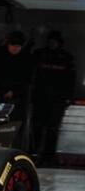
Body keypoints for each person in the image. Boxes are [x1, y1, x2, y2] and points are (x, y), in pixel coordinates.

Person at [32, 30, 76, 164]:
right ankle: (34, 153)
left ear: (59, 43)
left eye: (54, 41)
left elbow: (71, 79)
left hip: (57, 100)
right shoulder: (39, 54)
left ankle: (48, 156)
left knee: (52, 129)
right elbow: (31, 74)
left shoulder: (66, 58)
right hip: (41, 98)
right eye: (50, 41)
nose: (52, 43)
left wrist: (68, 97)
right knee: (37, 127)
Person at [0, 31, 33, 149]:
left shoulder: (25, 58)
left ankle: (13, 150)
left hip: (16, 99)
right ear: (8, 45)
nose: (15, 49)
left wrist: (14, 91)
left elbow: (27, 80)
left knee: (14, 125)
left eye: (18, 47)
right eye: (13, 46)